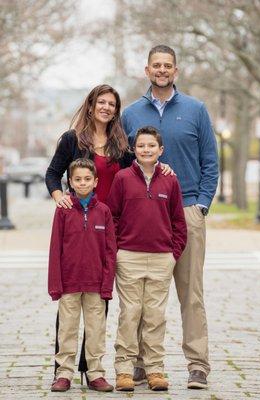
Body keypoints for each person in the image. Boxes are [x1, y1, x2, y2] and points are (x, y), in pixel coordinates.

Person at [45, 83, 173, 376]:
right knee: (70, 295)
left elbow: (140, 167)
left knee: (98, 296)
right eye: (101, 102)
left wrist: (162, 167)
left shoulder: (121, 144)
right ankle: (61, 367)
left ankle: (90, 366)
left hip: (110, 226)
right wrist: (60, 198)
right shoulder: (72, 140)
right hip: (78, 223)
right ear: (90, 106)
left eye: (111, 104)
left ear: (116, 111)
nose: (106, 107)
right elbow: (53, 173)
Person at [121, 45, 219, 389]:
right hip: (144, 216)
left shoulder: (196, 109)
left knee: (191, 292)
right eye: (156, 66)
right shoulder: (131, 114)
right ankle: (139, 364)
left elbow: (210, 160)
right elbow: (123, 165)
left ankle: (198, 365)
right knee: (142, 293)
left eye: (168, 66)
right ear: (147, 71)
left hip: (188, 208)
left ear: (175, 71)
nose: (162, 70)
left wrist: (202, 204)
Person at [107, 126, 187, 392]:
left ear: (160, 150)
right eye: (141, 146)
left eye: (151, 146)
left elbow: (178, 221)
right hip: (129, 256)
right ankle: (124, 370)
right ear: (134, 149)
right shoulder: (123, 178)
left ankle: (155, 369)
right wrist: (118, 250)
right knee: (130, 313)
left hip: (162, 258)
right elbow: (113, 217)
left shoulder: (170, 180)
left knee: (155, 315)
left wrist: (173, 254)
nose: (146, 150)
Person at [48, 158, 116, 393]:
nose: (83, 183)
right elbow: (55, 249)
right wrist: (55, 285)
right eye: (78, 179)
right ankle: (63, 373)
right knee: (66, 329)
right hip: (69, 283)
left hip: (96, 284)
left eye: (88, 179)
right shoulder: (64, 211)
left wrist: (107, 285)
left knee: (96, 329)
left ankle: (95, 373)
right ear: (70, 182)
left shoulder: (104, 212)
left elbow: (110, 251)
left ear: (96, 182)